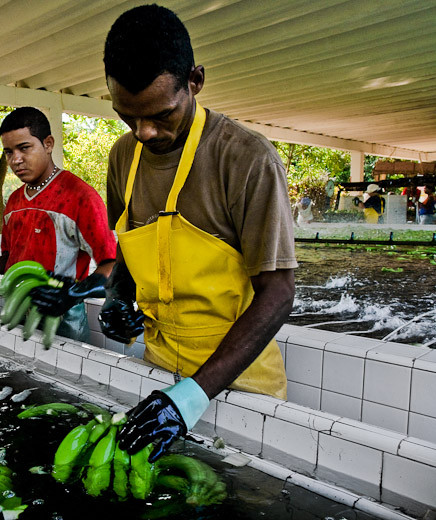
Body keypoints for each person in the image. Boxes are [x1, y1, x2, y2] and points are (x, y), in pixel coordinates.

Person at [101, 5, 297, 462]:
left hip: (240, 383)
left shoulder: (246, 159)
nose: (145, 132)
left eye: (162, 114)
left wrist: (192, 396)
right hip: (157, 375)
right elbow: (129, 241)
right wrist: (116, 296)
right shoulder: (122, 157)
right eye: (127, 117)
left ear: (195, 81)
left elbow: (279, 292)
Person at [0, 107, 117, 342]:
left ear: (48, 144)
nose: (16, 160)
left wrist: (72, 294)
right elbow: (14, 259)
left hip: (64, 317)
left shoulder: (80, 197)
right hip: (18, 313)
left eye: (24, 148)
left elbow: (112, 265)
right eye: (8, 152)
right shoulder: (15, 201)